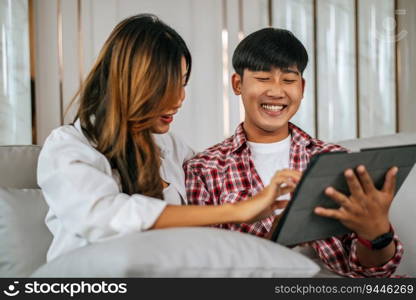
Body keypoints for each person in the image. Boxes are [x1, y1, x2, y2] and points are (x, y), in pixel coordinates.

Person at [37, 14, 301, 262]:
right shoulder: (67, 147)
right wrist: (240, 210)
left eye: (183, 83)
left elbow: (212, 202)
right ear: (131, 82)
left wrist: (277, 221)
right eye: (166, 85)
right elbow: (106, 217)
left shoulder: (171, 147)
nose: (178, 99)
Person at [184, 28, 403, 277]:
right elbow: (204, 267)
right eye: (263, 78)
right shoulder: (203, 169)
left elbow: (375, 273)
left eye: (288, 80)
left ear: (302, 86)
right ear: (237, 84)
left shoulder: (336, 159)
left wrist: (376, 234)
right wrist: (274, 240)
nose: (277, 92)